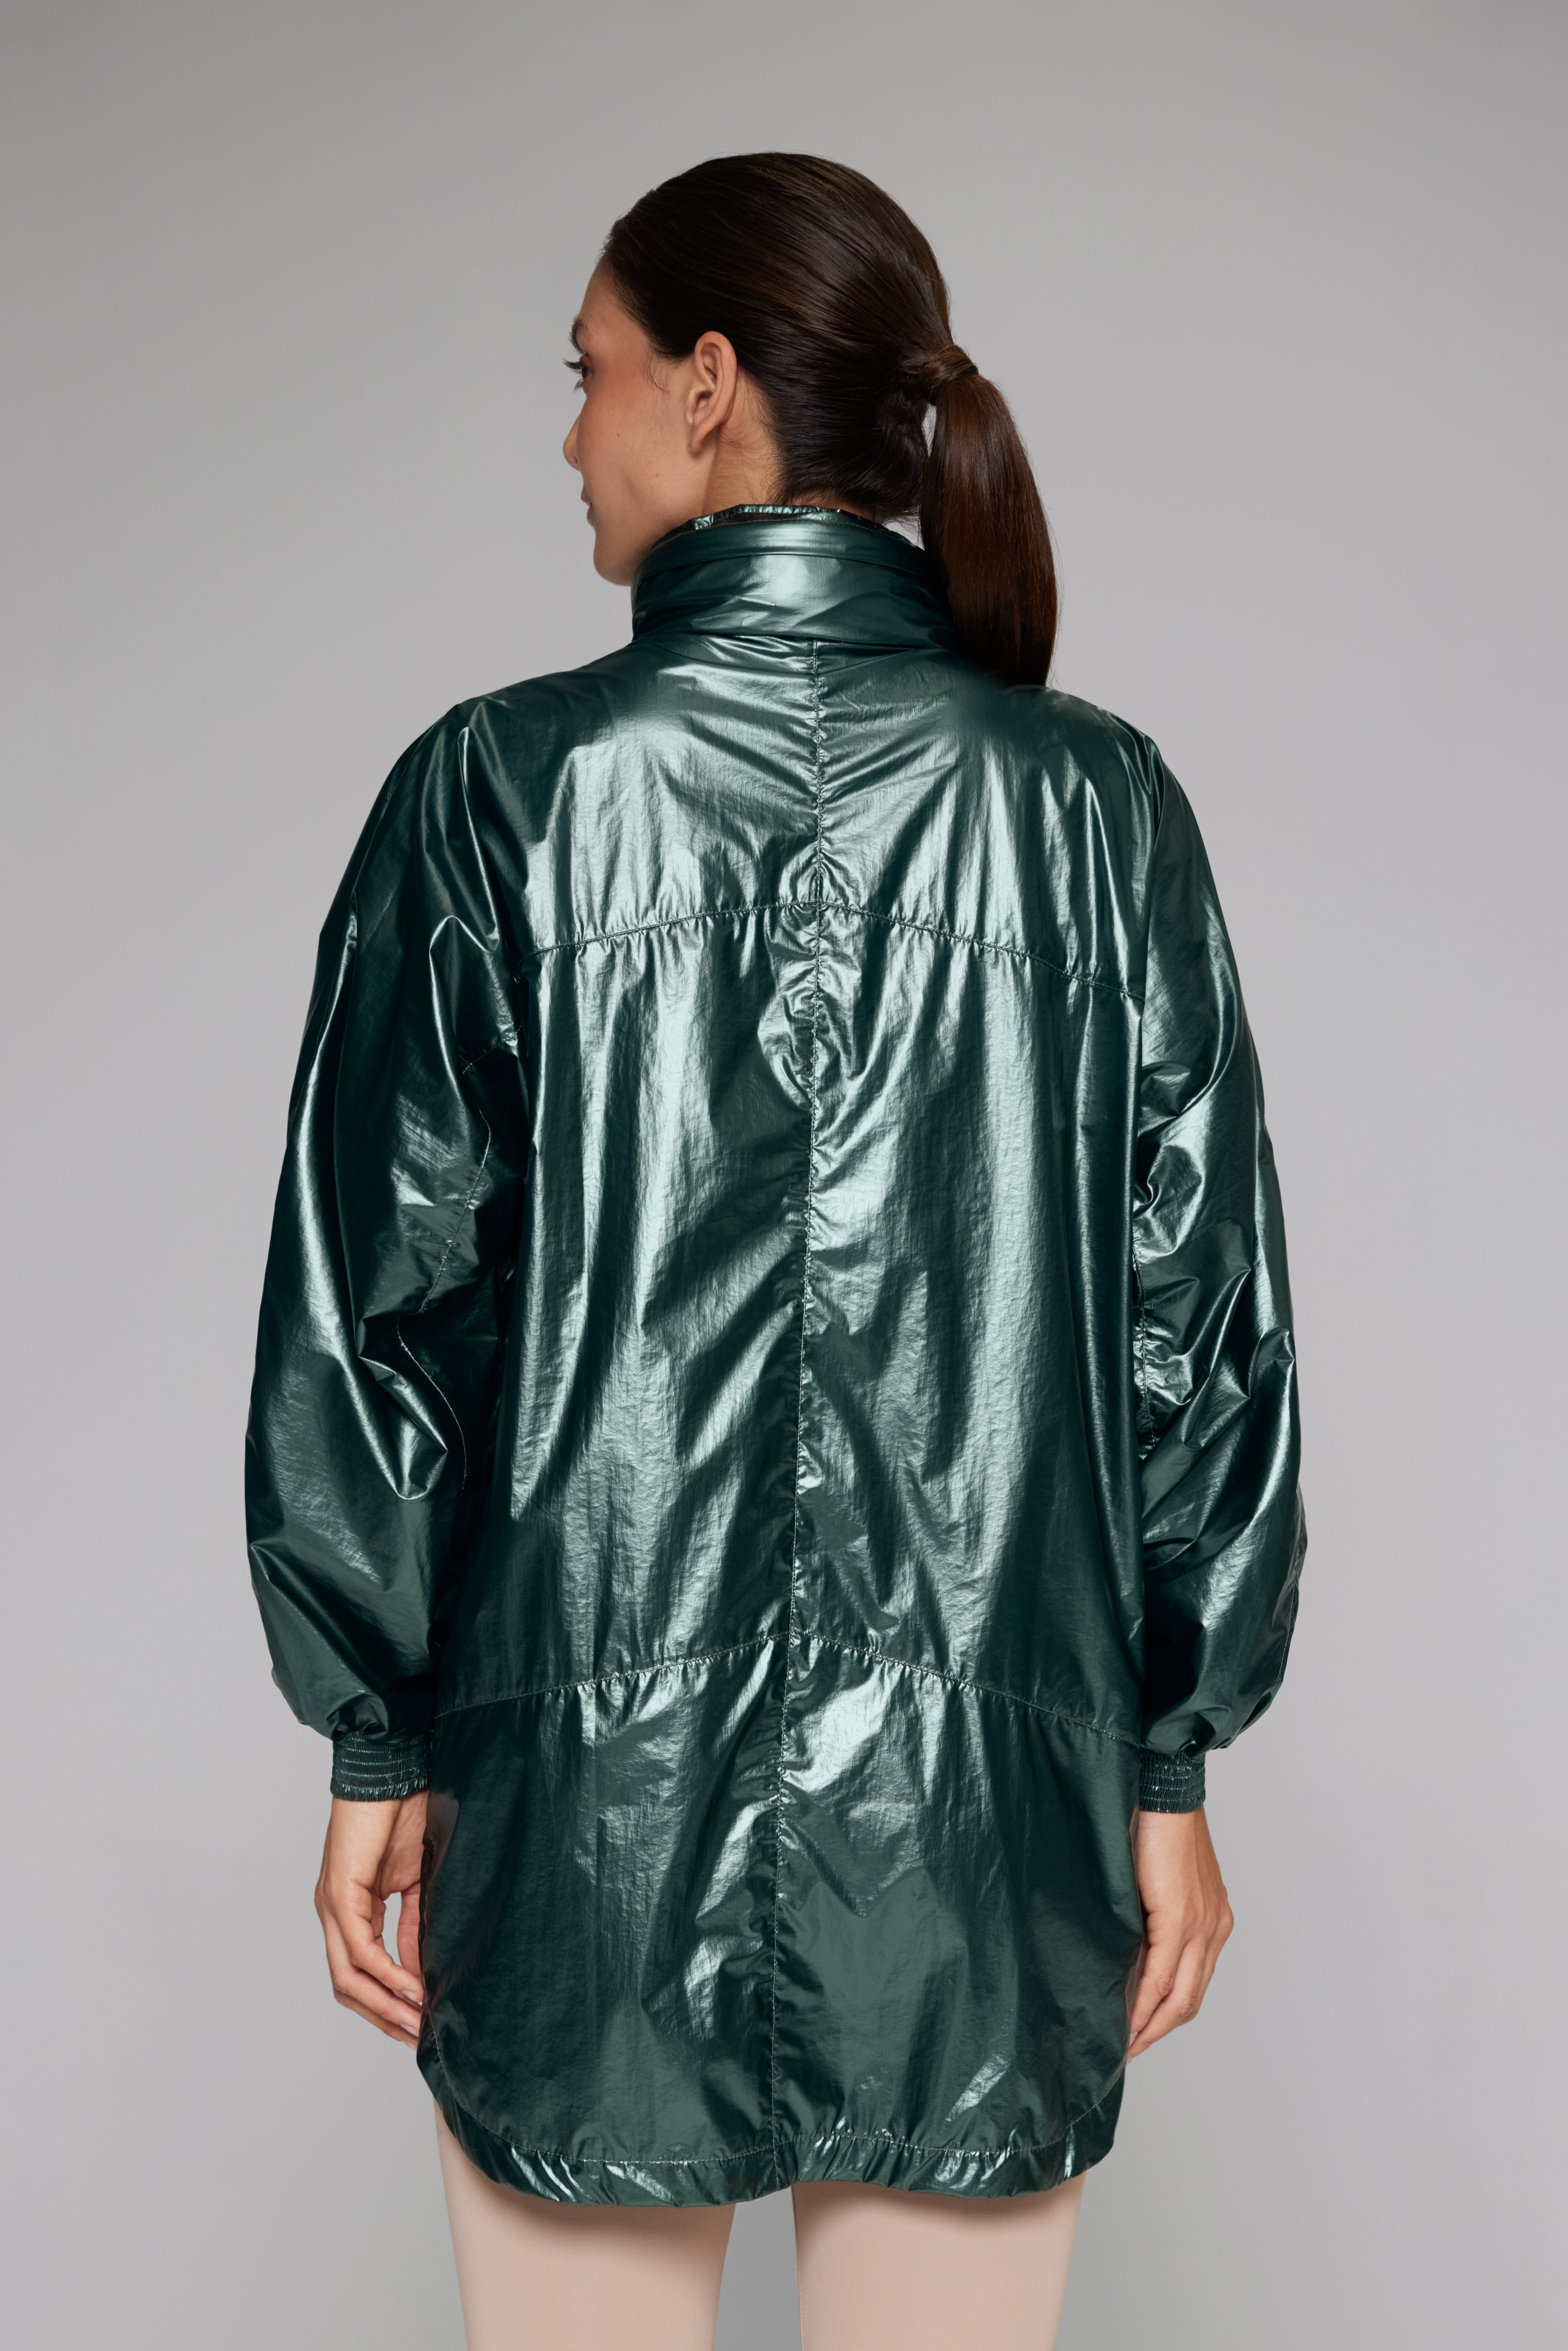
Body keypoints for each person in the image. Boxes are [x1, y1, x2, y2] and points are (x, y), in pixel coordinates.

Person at [245, 152, 1305, 2350]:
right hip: (991, 1817)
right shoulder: (1097, 808)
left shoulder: (500, 789)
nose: (570, 433)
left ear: (708, 384)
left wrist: (375, 1735)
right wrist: (1166, 1759)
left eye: (589, 372)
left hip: (582, 1814)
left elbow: (377, 1311)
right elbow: (1194, 1326)